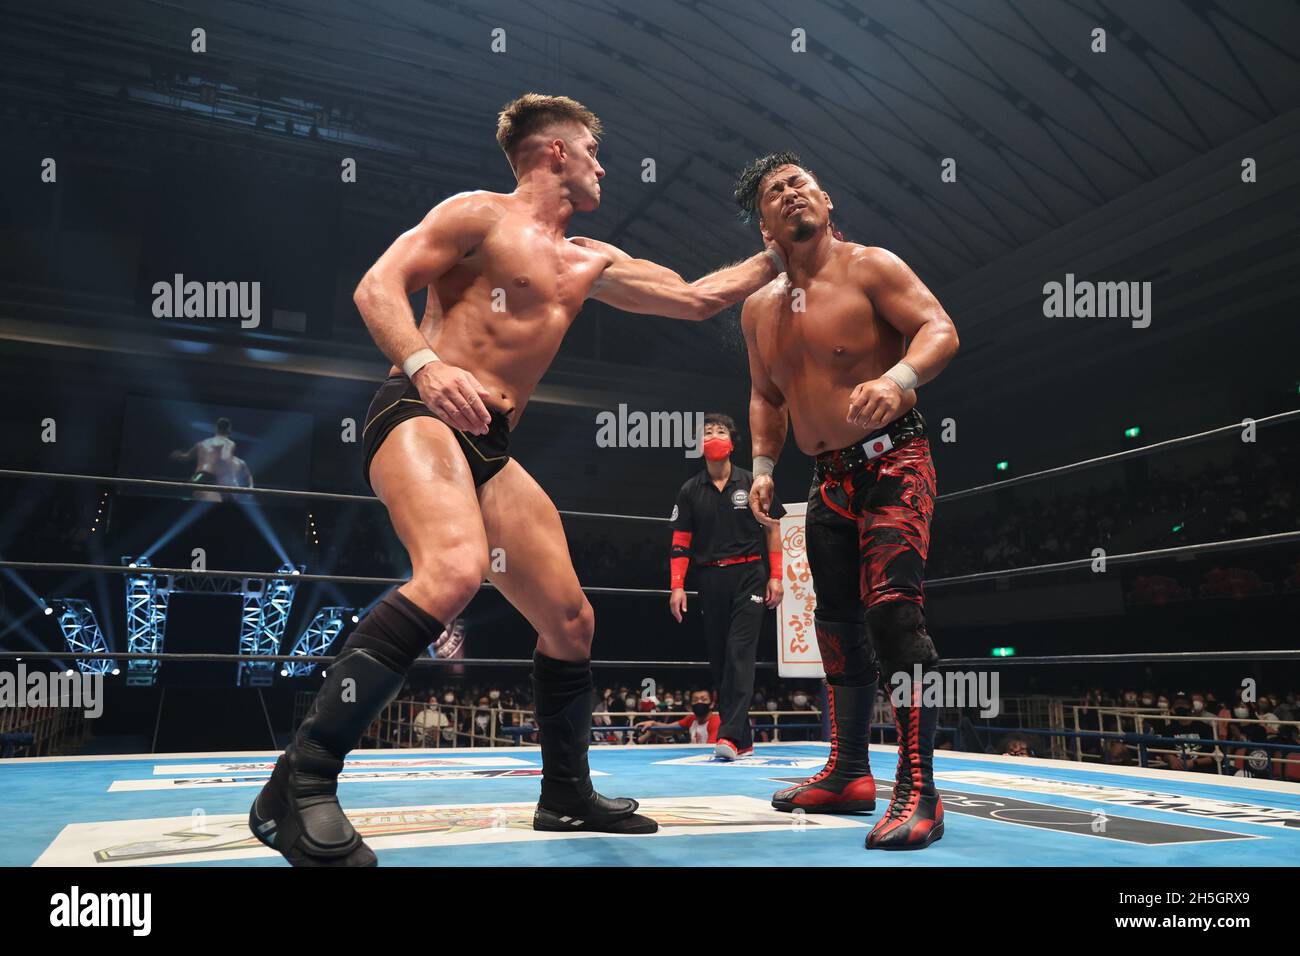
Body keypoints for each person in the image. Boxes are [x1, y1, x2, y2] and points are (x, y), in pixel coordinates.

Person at [249, 93, 784, 866]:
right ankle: (299, 786)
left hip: (491, 445)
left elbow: (699, 298)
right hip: (418, 412)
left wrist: (779, 251)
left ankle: (565, 796)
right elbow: (377, 287)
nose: (605, 168)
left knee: (571, 619)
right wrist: (428, 367)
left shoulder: (588, 259)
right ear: (556, 152)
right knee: (456, 569)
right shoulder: (476, 215)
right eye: (595, 154)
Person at [735, 152, 959, 850]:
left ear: (826, 202)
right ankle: (849, 773)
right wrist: (765, 464)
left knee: (893, 614)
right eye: (777, 191)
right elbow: (766, 395)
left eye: (801, 182)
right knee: (834, 622)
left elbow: (940, 329)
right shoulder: (758, 310)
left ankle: (920, 790)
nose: (792, 193)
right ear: (765, 225)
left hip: (895, 456)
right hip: (827, 476)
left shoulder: (872, 267)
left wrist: (897, 378)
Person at [667, 412, 784, 759]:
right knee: (720, 658)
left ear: (732, 442)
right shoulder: (690, 490)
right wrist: (677, 586)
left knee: (739, 653)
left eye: (720, 431)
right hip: (710, 578)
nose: (714, 435)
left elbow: (773, 527)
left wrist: (776, 575)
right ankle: (744, 738)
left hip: (749, 574)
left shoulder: (753, 482)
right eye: (707, 432)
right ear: (699, 444)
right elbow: (680, 542)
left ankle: (729, 737)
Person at [170, 417, 237, 501]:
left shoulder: (202, 443)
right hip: (214, 478)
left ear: (216, 428)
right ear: (228, 429)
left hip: (199, 476)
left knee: (185, 498)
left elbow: (186, 457)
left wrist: (178, 455)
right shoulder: (229, 443)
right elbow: (225, 458)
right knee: (227, 500)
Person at [636, 689, 720, 745]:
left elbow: (711, 748)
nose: (699, 702)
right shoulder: (691, 719)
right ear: (691, 704)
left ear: (712, 704)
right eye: (695, 700)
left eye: (704, 699)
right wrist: (653, 723)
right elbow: (668, 729)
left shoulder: (715, 721)